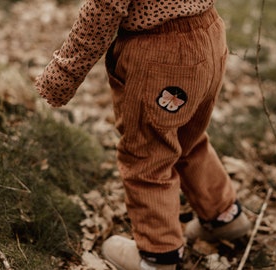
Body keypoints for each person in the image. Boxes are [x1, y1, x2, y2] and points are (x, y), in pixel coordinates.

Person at [35, 1, 251, 269]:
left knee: (148, 156)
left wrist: (61, 76)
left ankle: (158, 254)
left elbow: (102, 11)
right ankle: (224, 214)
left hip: (161, 54)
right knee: (187, 139)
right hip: (210, 35)